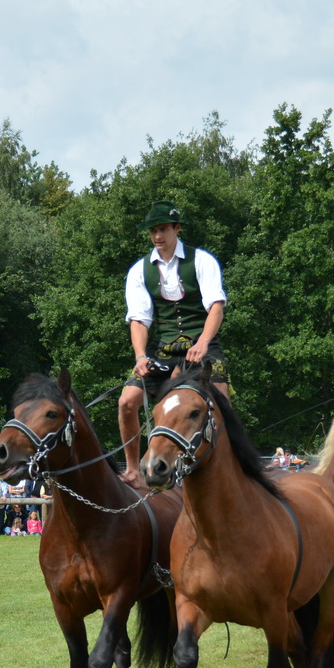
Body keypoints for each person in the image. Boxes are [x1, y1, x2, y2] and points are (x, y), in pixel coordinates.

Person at [118, 201, 229, 485]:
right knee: (127, 402)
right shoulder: (139, 270)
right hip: (164, 349)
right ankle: (133, 470)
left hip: (202, 344)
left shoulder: (201, 260)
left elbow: (216, 307)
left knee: (221, 403)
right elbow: (139, 320)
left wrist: (203, 342)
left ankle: (227, 469)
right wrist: (140, 356)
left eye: (163, 229)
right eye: (153, 231)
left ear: (176, 228)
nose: (158, 236)